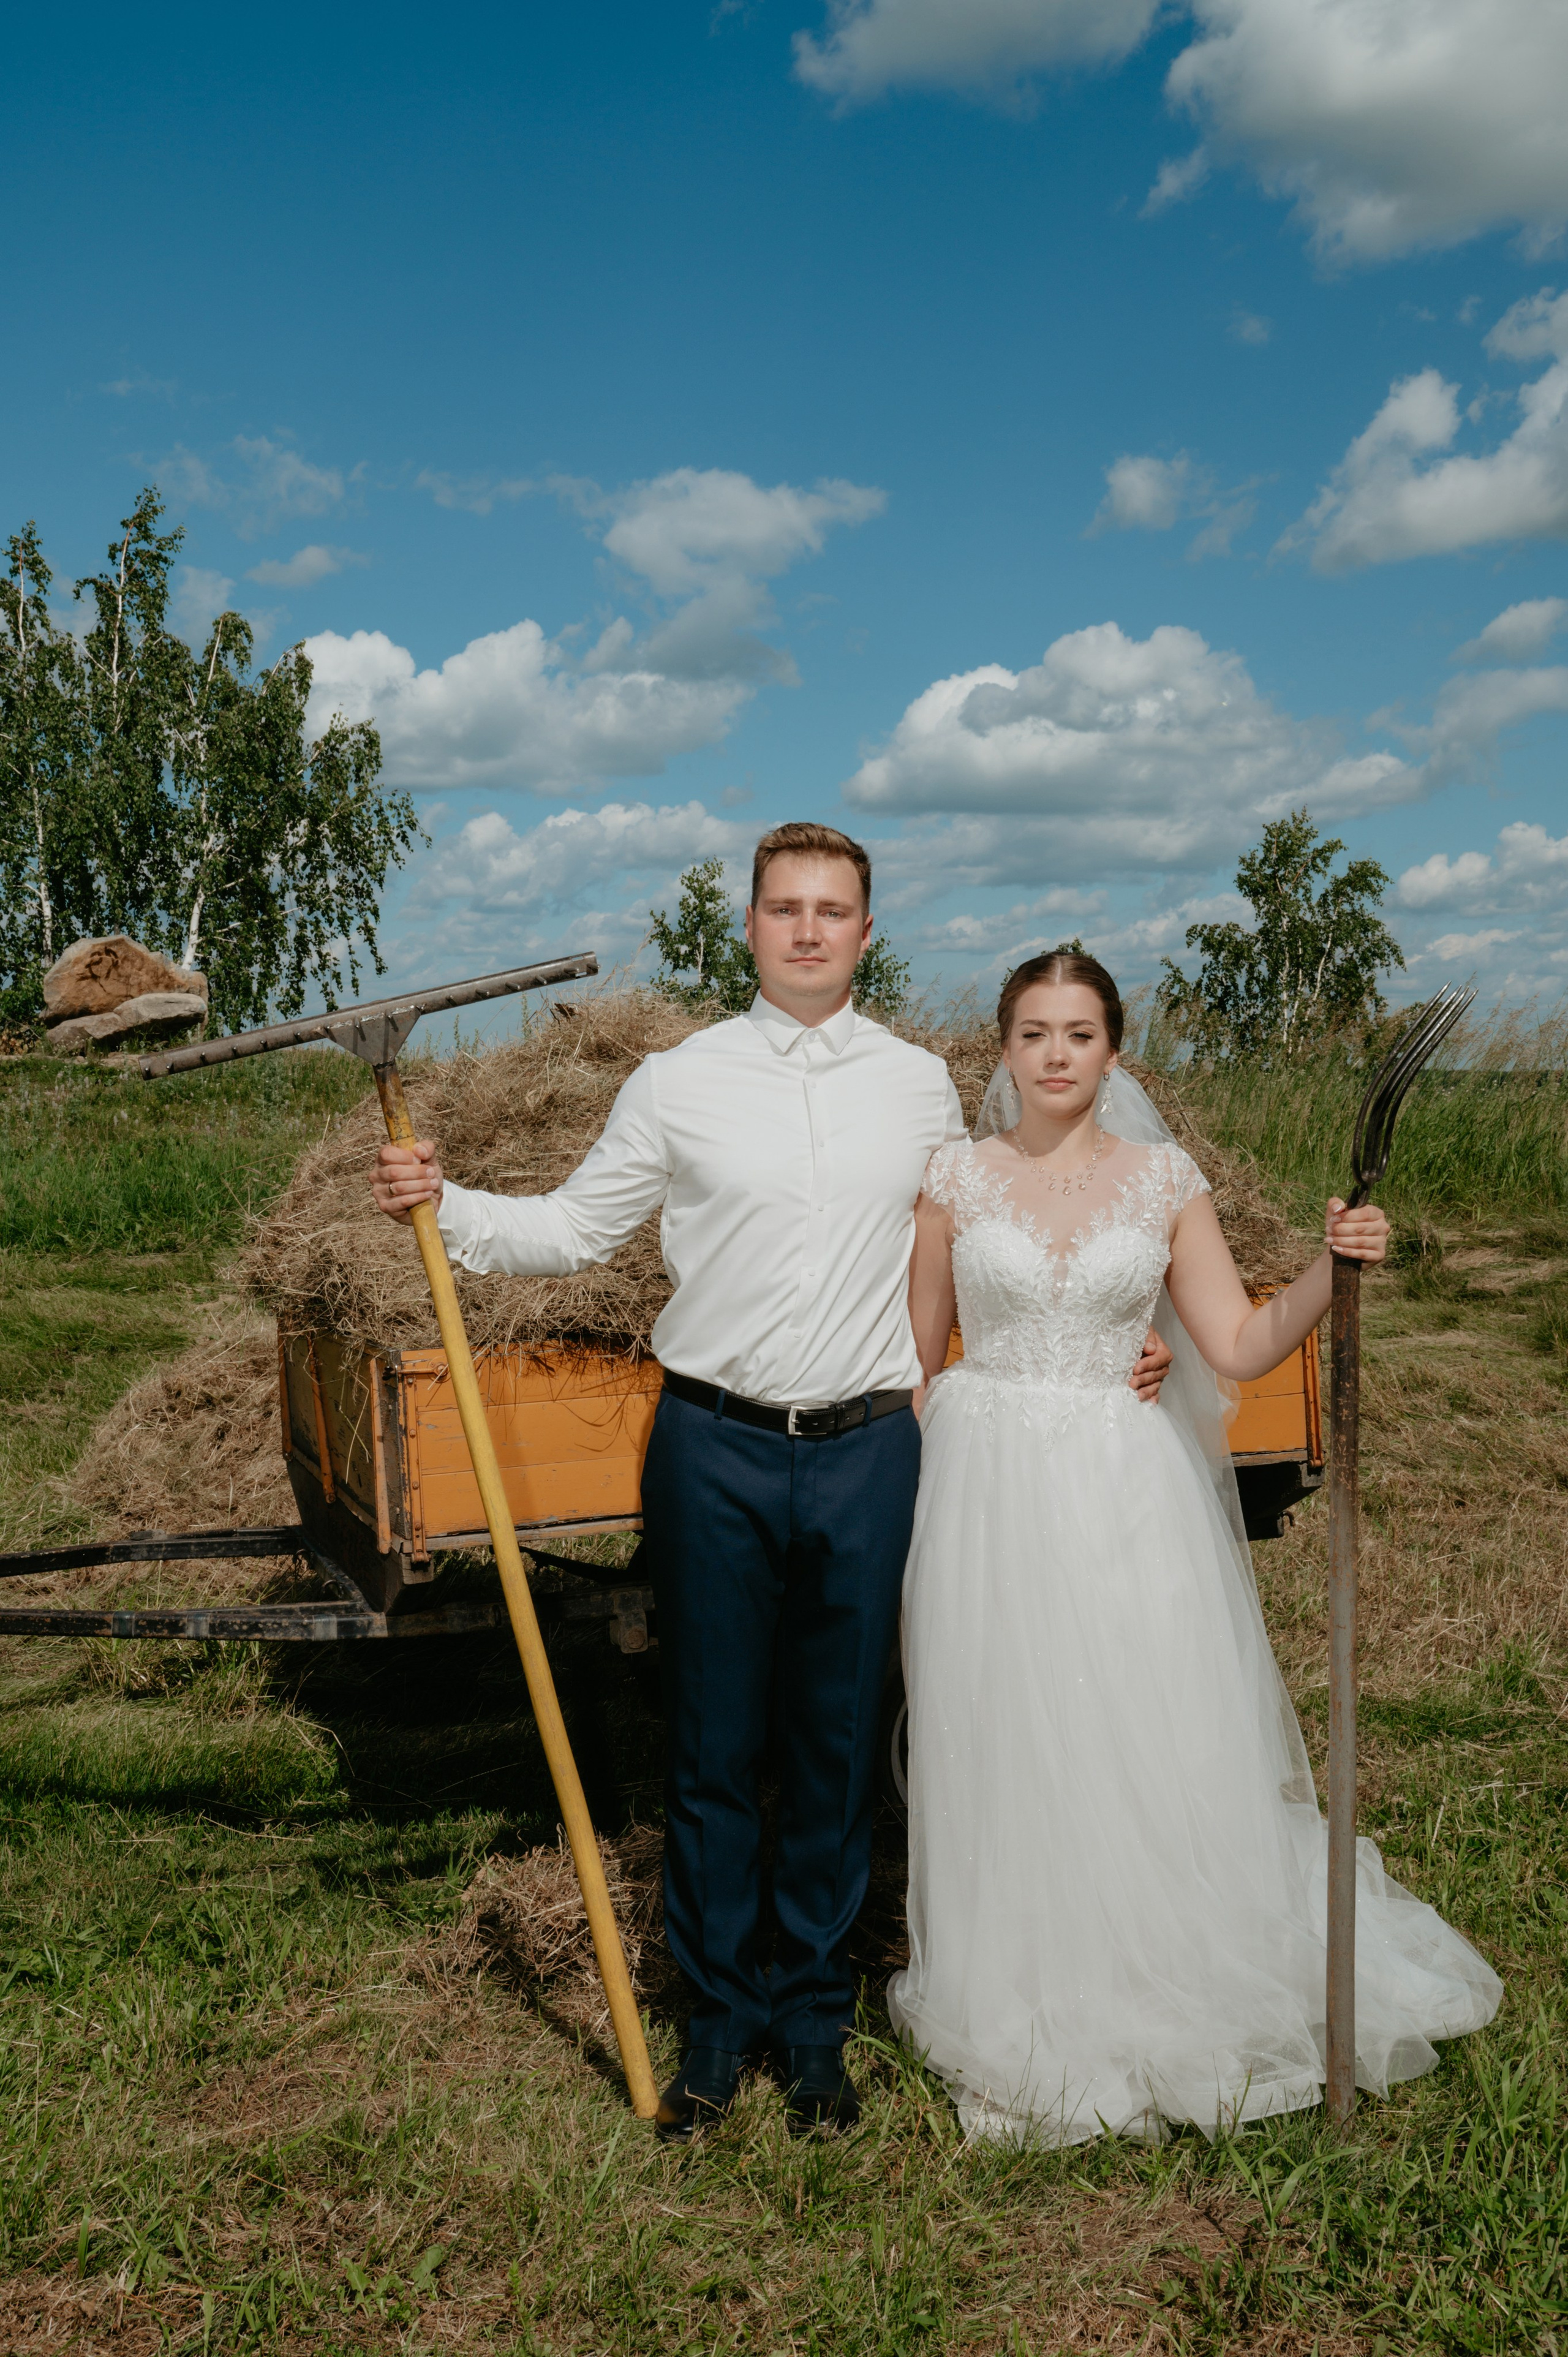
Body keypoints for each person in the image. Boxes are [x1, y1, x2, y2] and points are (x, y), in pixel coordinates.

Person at [369, 825, 1173, 2141]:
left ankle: (812, 2023)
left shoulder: (921, 1086)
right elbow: (573, 1228)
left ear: (866, 931)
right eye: (784, 908)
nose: (807, 929)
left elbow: (1021, 1205)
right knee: (712, 1742)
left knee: (836, 1744)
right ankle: (714, 2020)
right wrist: (441, 1197)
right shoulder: (678, 1081)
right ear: (747, 926)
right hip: (713, 1444)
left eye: (833, 910)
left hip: (868, 1447)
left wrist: (1118, 1332)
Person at [889, 948, 1502, 2143]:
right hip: (986, 1482)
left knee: (1137, 1720)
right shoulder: (950, 1178)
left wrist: (1335, 1266)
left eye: (1078, 1032)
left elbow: (1232, 1339)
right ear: (1001, 1049)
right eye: (1031, 1032)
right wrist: (942, 1469)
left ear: (1112, 1050)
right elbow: (912, 1357)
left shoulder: (1162, 1178)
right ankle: (1025, 1986)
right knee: (1007, 1730)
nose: (1055, 1054)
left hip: (1123, 1482)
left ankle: (1159, 1968)